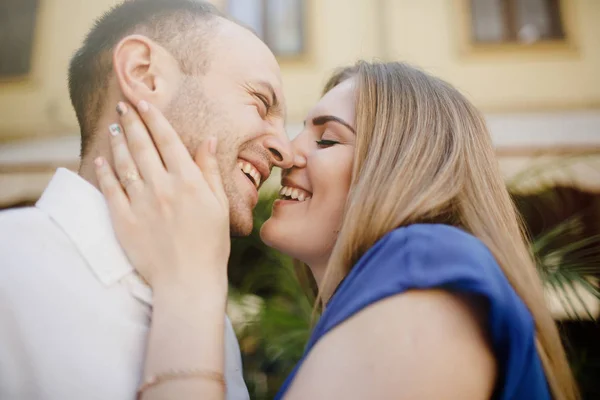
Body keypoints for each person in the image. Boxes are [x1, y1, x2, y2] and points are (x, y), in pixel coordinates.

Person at [97, 61, 580, 400]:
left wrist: (190, 283)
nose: (285, 152)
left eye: (327, 138)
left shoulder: (428, 263)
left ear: (402, 168)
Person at [0, 0, 293, 399]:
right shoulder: (9, 264)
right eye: (260, 102)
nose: (286, 152)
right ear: (144, 75)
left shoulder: (212, 318)